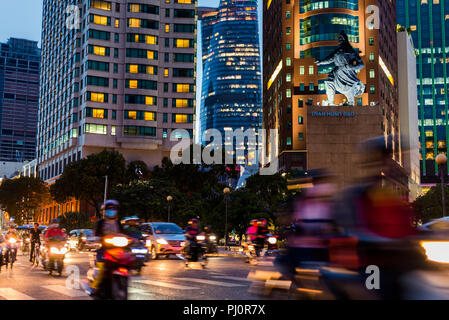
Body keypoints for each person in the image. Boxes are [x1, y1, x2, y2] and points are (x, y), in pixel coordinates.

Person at [91, 200, 124, 293]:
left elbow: (124, 234)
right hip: (103, 250)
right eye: (109, 209)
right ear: (103, 211)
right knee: (101, 268)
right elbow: (95, 235)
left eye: (113, 209)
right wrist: (97, 239)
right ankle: (94, 287)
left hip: (117, 250)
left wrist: (132, 239)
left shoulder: (118, 223)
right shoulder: (100, 223)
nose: (111, 211)